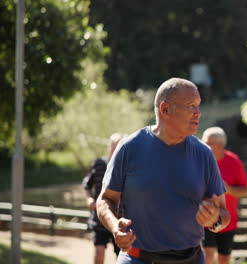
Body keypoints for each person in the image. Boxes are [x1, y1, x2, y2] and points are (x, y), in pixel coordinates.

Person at [96, 78, 230, 264]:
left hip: (191, 259)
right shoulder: (130, 147)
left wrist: (215, 219)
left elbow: (224, 215)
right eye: (191, 106)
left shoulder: (204, 154)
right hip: (137, 258)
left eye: (198, 106)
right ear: (165, 109)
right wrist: (115, 227)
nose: (198, 113)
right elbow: (105, 199)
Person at [201, 127, 247, 264]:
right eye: (204, 142)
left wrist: (227, 189)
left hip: (228, 220)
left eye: (208, 143)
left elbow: (245, 190)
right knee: (207, 256)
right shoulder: (201, 161)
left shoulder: (234, 161)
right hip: (206, 218)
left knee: (224, 259)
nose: (204, 146)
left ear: (220, 145)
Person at [83, 133, 123, 264]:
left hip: (119, 220)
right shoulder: (98, 164)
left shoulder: (126, 168)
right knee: (99, 254)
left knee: (121, 258)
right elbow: (86, 186)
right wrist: (89, 199)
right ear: (109, 147)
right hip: (99, 219)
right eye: (114, 147)